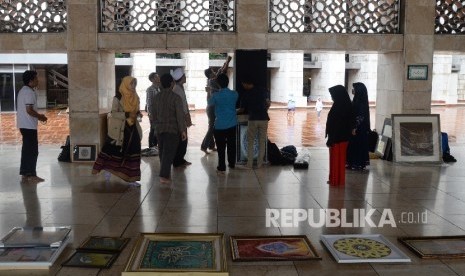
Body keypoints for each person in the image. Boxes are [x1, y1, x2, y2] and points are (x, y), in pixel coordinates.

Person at [92, 76, 143, 187]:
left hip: (133, 128)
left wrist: (138, 114)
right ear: (125, 84)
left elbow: (137, 111)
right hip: (119, 130)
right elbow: (114, 113)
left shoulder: (136, 96)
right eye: (131, 84)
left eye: (135, 84)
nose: (133, 86)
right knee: (113, 150)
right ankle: (107, 169)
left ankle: (131, 178)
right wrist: (126, 114)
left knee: (133, 152)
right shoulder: (118, 97)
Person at [153, 74, 187, 183]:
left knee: (162, 152)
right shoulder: (176, 98)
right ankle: (163, 176)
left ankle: (164, 173)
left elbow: (153, 115)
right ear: (171, 83)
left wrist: (155, 127)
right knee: (168, 152)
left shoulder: (156, 98)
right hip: (172, 129)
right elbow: (179, 116)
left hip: (159, 128)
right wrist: (182, 130)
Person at [16, 70, 48, 184]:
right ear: (31, 81)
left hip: (23, 125)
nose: (38, 80)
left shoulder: (23, 91)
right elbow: (29, 110)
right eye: (36, 78)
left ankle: (25, 174)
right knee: (32, 151)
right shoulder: (29, 92)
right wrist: (41, 117)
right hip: (28, 126)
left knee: (26, 150)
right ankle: (31, 175)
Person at [208, 73, 238, 174]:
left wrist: (209, 93)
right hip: (232, 124)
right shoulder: (234, 94)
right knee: (231, 145)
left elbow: (209, 103)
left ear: (218, 84)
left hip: (219, 125)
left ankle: (221, 166)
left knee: (221, 148)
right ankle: (232, 163)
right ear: (228, 82)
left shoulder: (215, 96)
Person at [201, 56, 232, 154]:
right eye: (213, 71)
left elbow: (221, 71)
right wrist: (227, 62)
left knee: (212, 126)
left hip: (212, 107)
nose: (215, 72)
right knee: (212, 127)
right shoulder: (212, 81)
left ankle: (211, 146)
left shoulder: (212, 80)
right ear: (210, 74)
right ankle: (204, 146)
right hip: (212, 108)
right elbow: (222, 71)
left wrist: (227, 61)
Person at [239, 75, 271, 169]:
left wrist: (234, 111)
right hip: (264, 118)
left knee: (250, 142)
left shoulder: (246, 94)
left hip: (253, 119)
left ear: (246, 83)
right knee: (262, 141)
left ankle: (249, 164)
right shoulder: (263, 90)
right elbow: (268, 103)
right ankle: (260, 164)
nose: (243, 85)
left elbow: (241, 109)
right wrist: (264, 109)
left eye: (243, 84)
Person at [325, 85, 354, 186]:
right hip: (337, 137)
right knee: (334, 159)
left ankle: (337, 181)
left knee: (338, 160)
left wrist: (331, 139)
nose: (332, 97)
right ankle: (334, 179)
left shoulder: (342, 107)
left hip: (339, 138)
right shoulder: (341, 104)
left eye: (332, 95)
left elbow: (338, 125)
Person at [171, 68, 193, 167]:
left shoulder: (179, 87)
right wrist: (186, 116)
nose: (185, 77)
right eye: (184, 76)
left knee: (182, 139)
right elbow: (180, 106)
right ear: (181, 78)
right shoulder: (177, 89)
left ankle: (180, 159)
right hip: (180, 118)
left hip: (181, 117)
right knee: (182, 139)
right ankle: (178, 161)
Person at [346, 82, 370, 171]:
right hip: (355, 127)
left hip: (359, 129)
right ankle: (352, 162)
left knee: (357, 145)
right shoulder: (356, 100)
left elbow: (360, 116)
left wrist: (355, 127)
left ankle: (357, 163)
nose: (353, 90)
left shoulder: (361, 103)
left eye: (354, 89)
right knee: (353, 146)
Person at [145, 72, 161, 154]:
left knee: (156, 129)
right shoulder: (150, 89)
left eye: (158, 76)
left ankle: (155, 146)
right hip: (153, 113)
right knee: (153, 129)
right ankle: (151, 146)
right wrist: (150, 114)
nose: (158, 78)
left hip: (159, 113)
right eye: (156, 77)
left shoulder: (158, 88)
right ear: (152, 79)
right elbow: (149, 102)